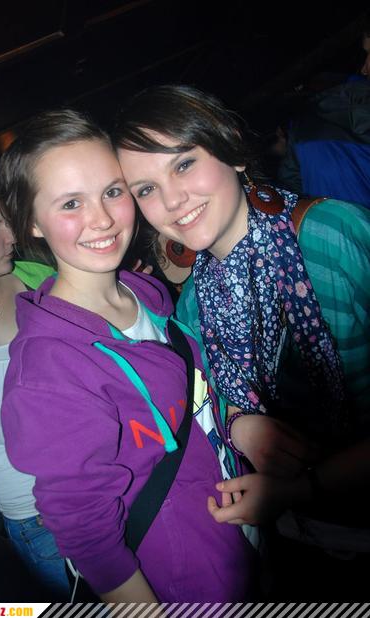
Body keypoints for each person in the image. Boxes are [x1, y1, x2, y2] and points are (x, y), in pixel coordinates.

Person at [113, 84, 370, 599]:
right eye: (145, 189)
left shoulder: (332, 235)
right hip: (301, 542)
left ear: (230, 146)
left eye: (184, 164)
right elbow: (215, 400)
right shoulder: (193, 303)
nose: (171, 201)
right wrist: (239, 423)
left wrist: (302, 488)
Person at [0, 108, 258, 603]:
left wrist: (240, 425)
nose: (101, 218)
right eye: (71, 203)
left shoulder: (145, 293)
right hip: (182, 584)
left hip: (235, 538)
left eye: (113, 191)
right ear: (31, 221)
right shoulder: (49, 370)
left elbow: (194, 402)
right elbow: (85, 530)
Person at [0, 171, 69, 600]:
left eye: (8, 222)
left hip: (102, 479)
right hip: (35, 513)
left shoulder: (38, 277)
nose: (12, 236)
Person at [277, 13, 370, 207]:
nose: (364, 69)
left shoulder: (302, 127)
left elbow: (292, 188)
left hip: (330, 223)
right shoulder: (302, 128)